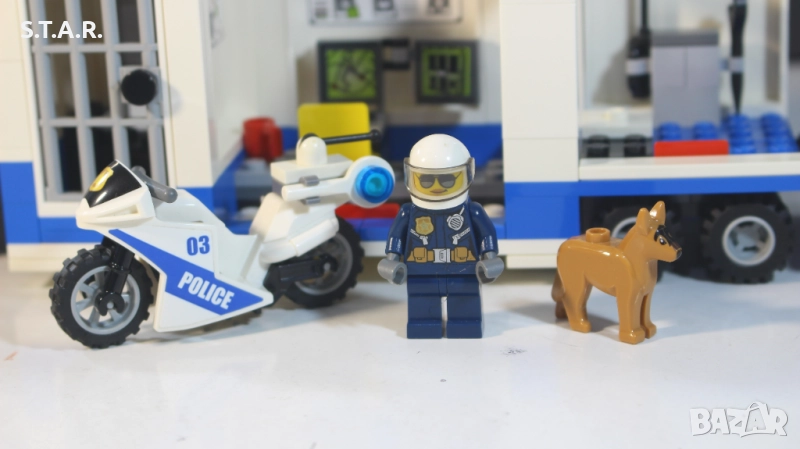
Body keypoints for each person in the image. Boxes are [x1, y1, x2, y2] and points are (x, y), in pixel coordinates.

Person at [378, 134, 504, 338]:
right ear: (411, 174)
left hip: (463, 268)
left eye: (447, 179)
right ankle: (424, 324)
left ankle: (465, 324)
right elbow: (396, 237)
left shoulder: (472, 211)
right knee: (421, 301)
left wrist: (490, 258)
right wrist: (391, 260)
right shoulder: (408, 212)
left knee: (465, 301)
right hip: (421, 269)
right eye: (426, 180)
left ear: (467, 172)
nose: (437, 187)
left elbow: (486, 234)